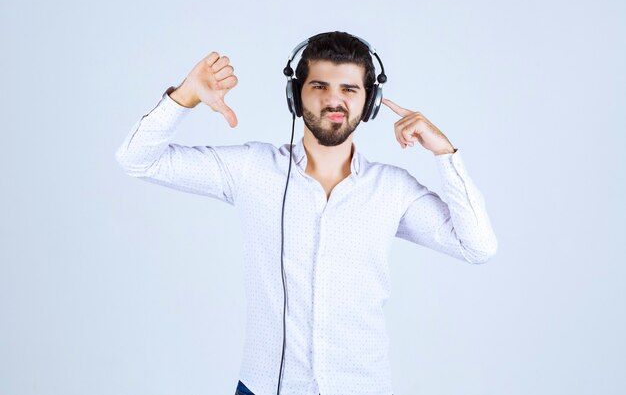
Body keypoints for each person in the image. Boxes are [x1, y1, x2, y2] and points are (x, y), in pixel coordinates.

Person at [115, 31, 498, 395]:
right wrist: (184, 97)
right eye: (319, 86)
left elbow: (477, 246)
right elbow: (137, 160)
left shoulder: (392, 189)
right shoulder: (252, 169)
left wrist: (445, 154)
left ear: (370, 103)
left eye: (349, 89)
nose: (334, 101)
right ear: (296, 97)